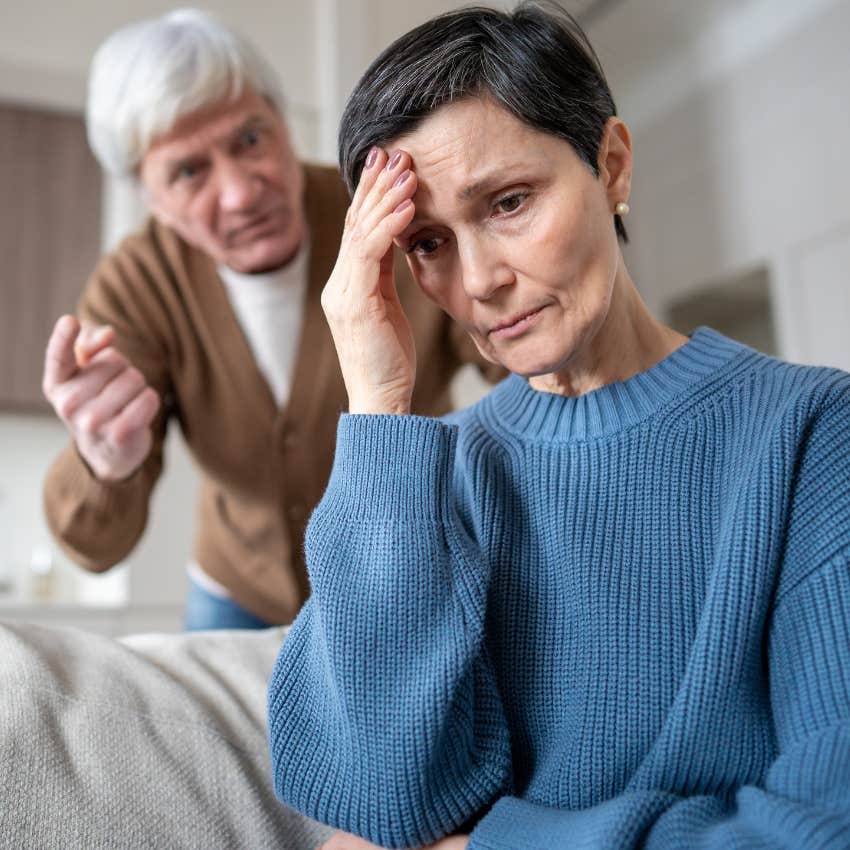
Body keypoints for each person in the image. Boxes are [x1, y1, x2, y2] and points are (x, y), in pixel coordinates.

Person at [267, 3, 850, 849]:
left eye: (508, 202)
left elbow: (828, 824)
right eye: (427, 242)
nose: (480, 280)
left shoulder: (812, 434)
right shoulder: (437, 474)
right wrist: (378, 407)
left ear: (611, 165)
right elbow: (377, 807)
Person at [40, 9, 497, 631]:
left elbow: (515, 357)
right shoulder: (135, 285)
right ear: (149, 199)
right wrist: (102, 462)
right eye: (189, 171)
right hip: (237, 593)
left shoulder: (385, 214)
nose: (240, 192)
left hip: (404, 558)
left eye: (249, 139)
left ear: (282, 122)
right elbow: (95, 548)